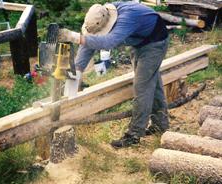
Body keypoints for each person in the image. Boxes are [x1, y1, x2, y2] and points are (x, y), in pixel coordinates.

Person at [58, 1, 169, 148]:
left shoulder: (127, 17)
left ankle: (134, 134)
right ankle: (160, 125)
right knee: (150, 81)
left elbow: (108, 42)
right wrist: (74, 78)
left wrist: (75, 37)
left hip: (155, 42)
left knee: (142, 86)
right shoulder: (97, 19)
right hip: (138, 42)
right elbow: (86, 47)